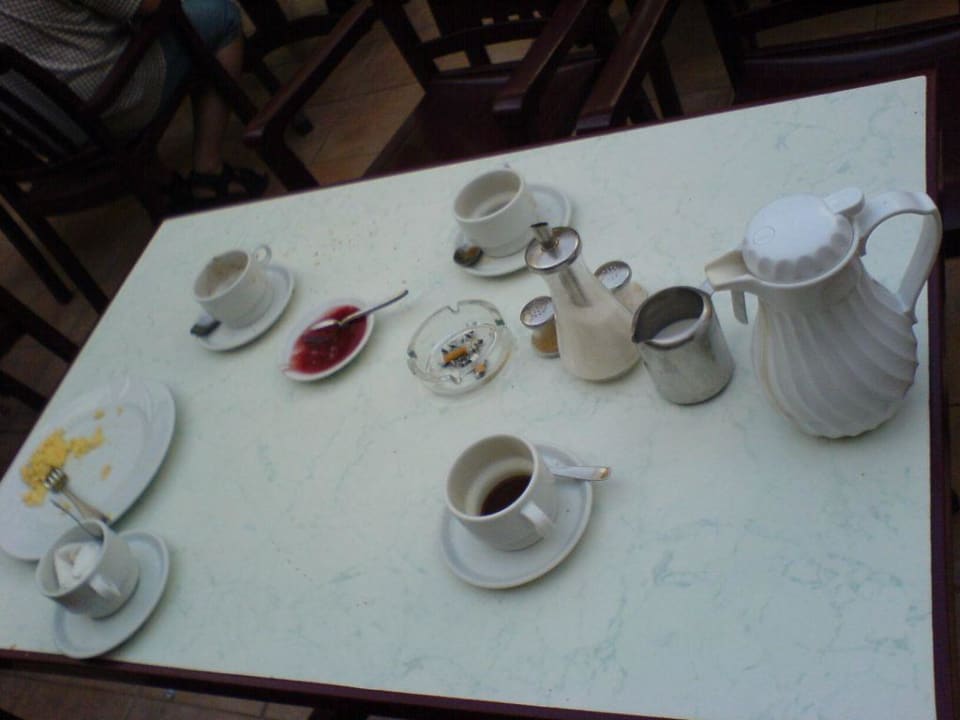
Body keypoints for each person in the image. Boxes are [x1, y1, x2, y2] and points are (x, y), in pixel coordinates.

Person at [0, 0, 267, 211]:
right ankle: (209, 172)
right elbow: (152, 5)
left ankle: (161, 183)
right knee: (221, 16)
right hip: (105, 108)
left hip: (48, 139)